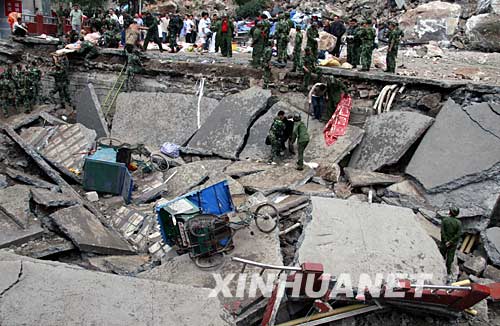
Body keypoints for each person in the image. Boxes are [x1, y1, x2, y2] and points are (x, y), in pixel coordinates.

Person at [440, 207, 462, 278]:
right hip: (453, 244)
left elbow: (442, 232)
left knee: (442, 255)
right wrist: (451, 242)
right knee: (450, 258)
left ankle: (440, 268)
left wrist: (446, 241)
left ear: (450, 212)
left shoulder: (445, 220)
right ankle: (447, 271)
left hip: (444, 242)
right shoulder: (458, 223)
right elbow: (458, 235)